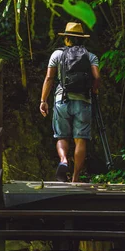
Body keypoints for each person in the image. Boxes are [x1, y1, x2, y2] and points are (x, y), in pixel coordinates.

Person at [39, 22, 100, 183]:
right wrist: (94, 89)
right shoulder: (90, 56)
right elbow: (97, 76)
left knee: (61, 136)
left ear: (66, 39)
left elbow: (49, 78)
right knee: (80, 139)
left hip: (62, 100)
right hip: (83, 101)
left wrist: (43, 100)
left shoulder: (57, 55)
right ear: (82, 40)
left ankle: (64, 160)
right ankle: (75, 178)